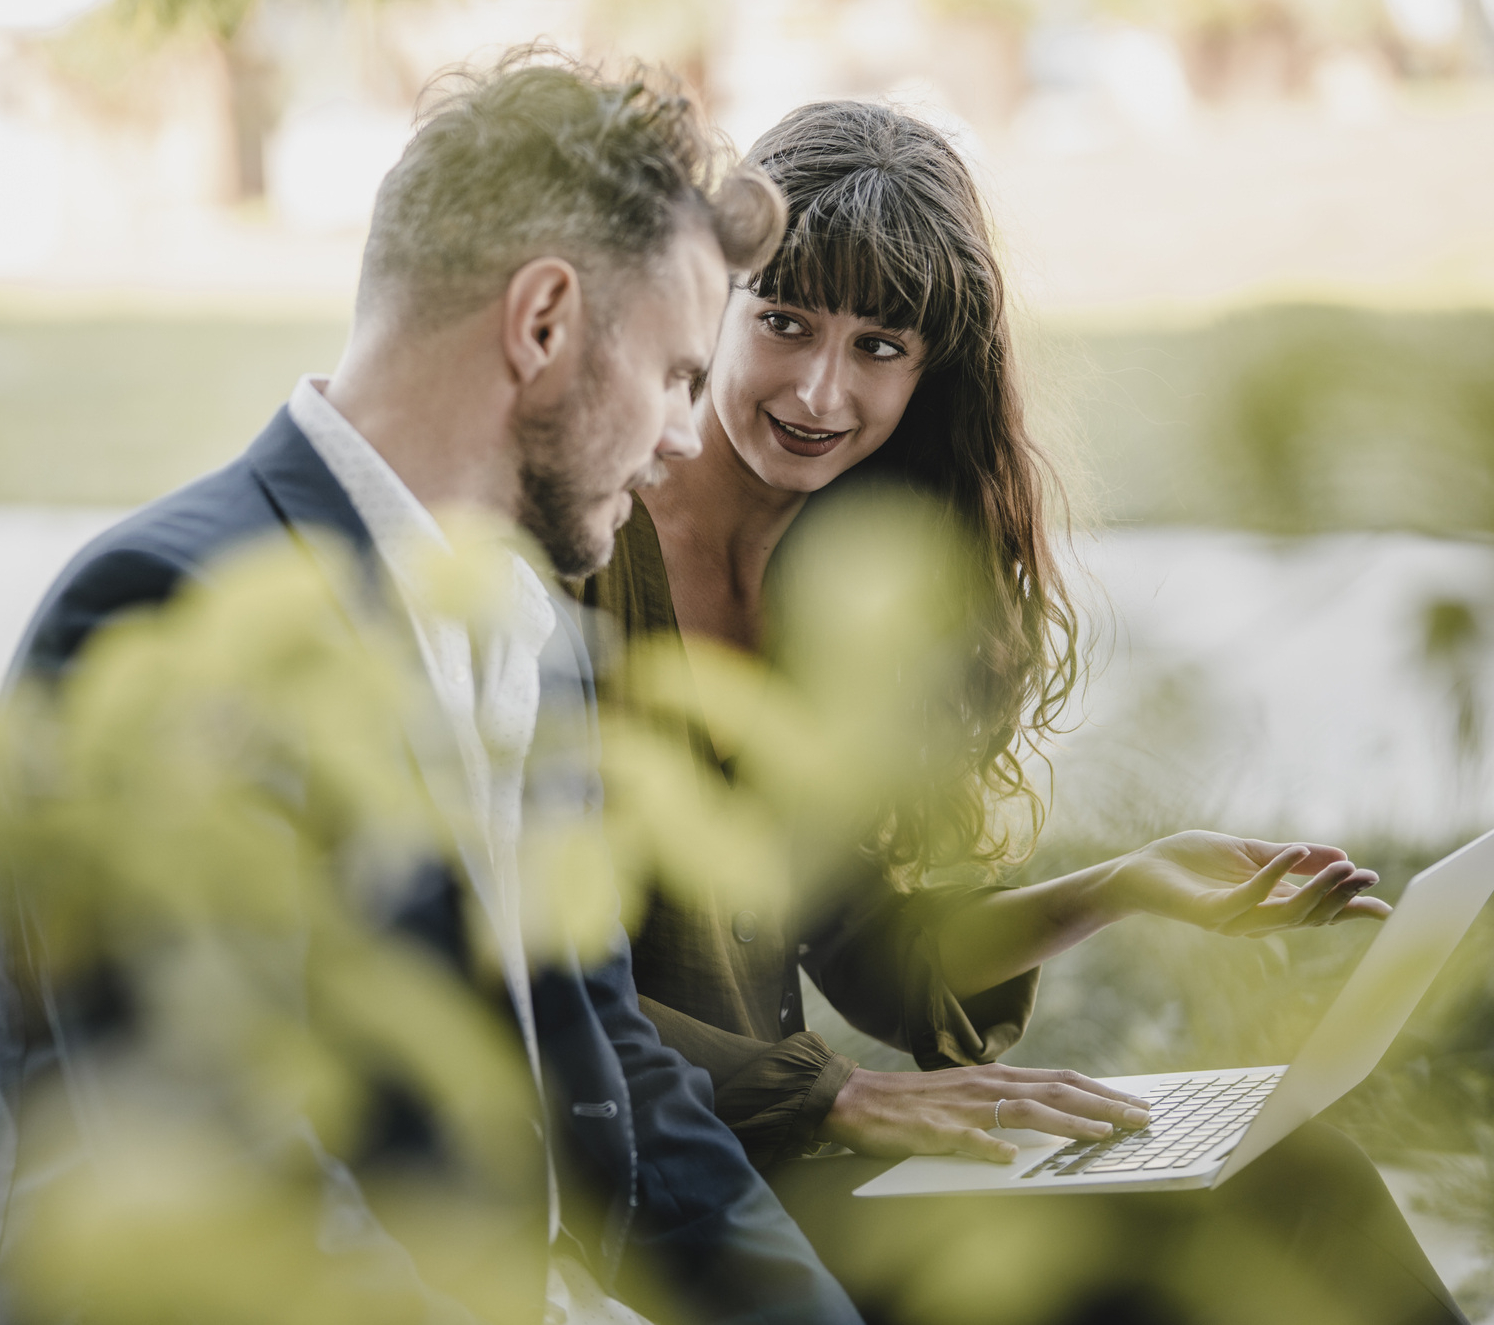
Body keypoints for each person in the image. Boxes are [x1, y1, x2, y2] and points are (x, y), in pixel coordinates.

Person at [0, 55, 864, 1325]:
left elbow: (612, 1070)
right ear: (542, 323)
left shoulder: (530, 639)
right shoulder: (171, 609)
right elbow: (226, 1182)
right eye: (672, 373)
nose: (681, 437)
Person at [576, 100, 1466, 1325]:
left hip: (809, 1152)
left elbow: (883, 961)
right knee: (1201, 1242)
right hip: (659, 1180)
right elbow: (514, 963)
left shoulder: (838, 585)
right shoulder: (586, 552)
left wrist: (1127, 883)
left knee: (1290, 1168)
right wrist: (835, 1095)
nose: (819, 390)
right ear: (713, 301)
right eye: (783, 322)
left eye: (879, 346)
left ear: (928, 371)